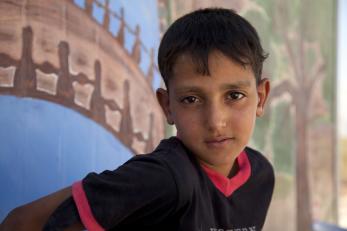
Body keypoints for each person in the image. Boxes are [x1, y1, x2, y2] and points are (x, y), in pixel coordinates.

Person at [0, 7, 274, 231]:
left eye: (234, 95)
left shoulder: (260, 175)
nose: (215, 121)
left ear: (260, 98)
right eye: (191, 99)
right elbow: (22, 223)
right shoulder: (165, 177)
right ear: (167, 106)